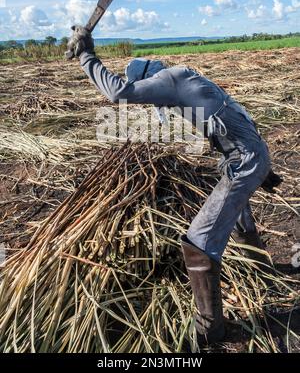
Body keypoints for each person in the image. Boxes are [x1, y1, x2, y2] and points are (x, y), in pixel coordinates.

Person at [67, 26, 282, 345]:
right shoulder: (186, 79)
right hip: (247, 156)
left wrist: (86, 55)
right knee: (239, 214)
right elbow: (237, 116)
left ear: (148, 79)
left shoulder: (169, 80)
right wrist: (263, 168)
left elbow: (117, 93)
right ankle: (265, 273)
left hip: (243, 161)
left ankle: (210, 330)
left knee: (198, 241)